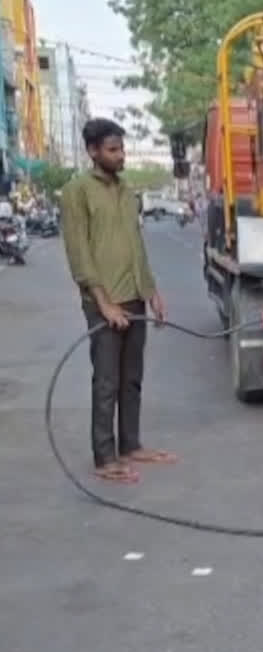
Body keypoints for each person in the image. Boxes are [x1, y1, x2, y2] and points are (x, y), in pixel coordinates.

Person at [61, 118, 176, 484]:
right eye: (113, 149)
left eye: (121, 148)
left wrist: (152, 291)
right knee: (107, 381)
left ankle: (131, 445)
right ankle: (105, 457)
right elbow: (79, 253)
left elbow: (136, 246)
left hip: (134, 297)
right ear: (93, 151)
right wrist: (104, 303)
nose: (120, 155)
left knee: (132, 378)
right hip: (103, 302)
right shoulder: (76, 192)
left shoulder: (127, 192)